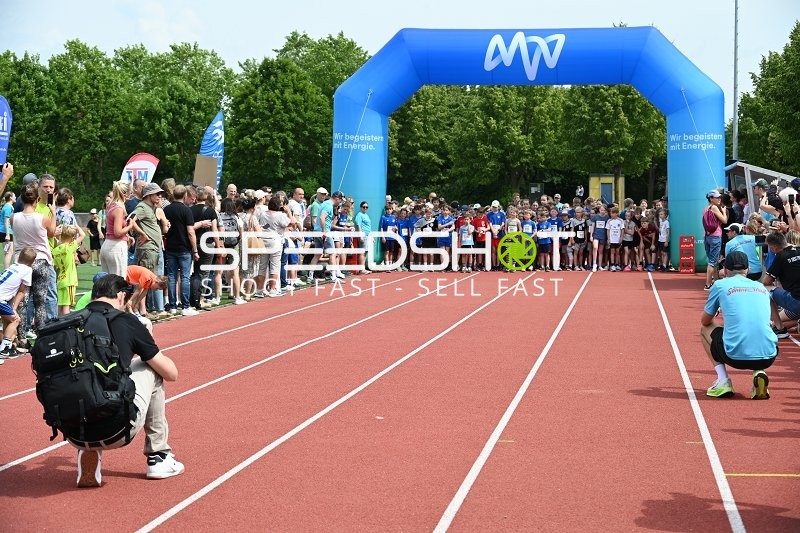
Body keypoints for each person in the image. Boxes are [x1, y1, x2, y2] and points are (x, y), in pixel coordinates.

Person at [67, 273, 184, 487]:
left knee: (84, 378)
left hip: (73, 429)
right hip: (116, 428)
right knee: (151, 368)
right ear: (121, 296)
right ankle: (158, 456)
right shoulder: (126, 321)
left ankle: (87, 451)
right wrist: (145, 340)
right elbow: (171, 373)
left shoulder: (69, 323)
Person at [701, 251, 778, 399]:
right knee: (757, 329)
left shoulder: (720, 285)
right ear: (748, 269)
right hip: (769, 356)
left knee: (705, 329)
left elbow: (705, 321)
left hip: (735, 356)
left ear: (726, 270)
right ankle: (759, 372)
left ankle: (723, 381)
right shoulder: (760, 287)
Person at [0, 247, 36, 360]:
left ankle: (7, 345)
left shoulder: (13, 265)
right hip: (1, 299)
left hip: (2, 297)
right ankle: (3, 349)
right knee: (15, 319)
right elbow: (21, 291)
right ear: (32, 262)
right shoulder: (27, 270)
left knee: (7, 319)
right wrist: (14, 309)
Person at [52, 226, 84, 315]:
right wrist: (77, 227)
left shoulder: (55, 250)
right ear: (72, 237)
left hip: (60, 279)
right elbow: (82, 235)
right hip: (69, 280)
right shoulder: (69, 247)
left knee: (60, 304)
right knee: (67, 306)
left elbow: (55, 267)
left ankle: (57, 323)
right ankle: (66, 325)